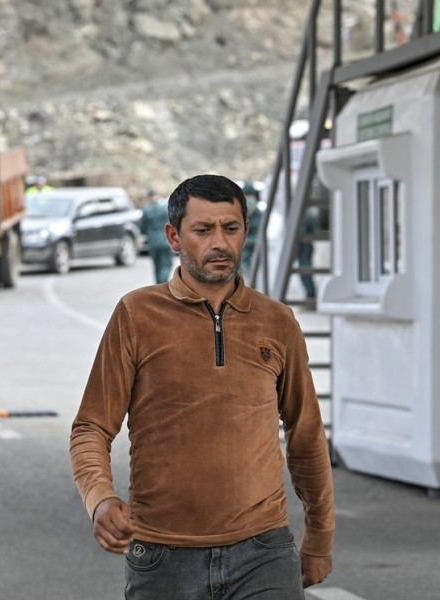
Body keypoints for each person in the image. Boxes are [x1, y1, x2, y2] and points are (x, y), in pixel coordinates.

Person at [70, 174, 335, 600]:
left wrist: (320, 536)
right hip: (162, 557)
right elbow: (91, 428)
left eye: (230, 229)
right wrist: (99, 498)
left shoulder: (277, 321)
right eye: (203, 230)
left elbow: (305, 437)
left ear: (245, 232)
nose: (220, 243)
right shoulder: (136, 315)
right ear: (174, 237)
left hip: (264, 552)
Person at [138, 189, 173, 284]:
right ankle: (164, 280)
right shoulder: (165, 208)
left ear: (149, 198)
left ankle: (159, 286)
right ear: (157, 196)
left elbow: (142, 228)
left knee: (157, 265)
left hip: (153, 242)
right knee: (166, 264)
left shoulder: (146, 210)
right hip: (166, 241)